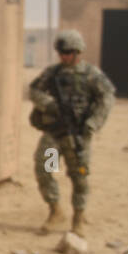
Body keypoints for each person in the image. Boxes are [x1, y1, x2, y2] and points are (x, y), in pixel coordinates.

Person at [28, 29, 115, 235]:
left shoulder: (91, 75)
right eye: (61, 52)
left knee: (80, 175)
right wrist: (48, 104)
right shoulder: (53, 73)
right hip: (56, 134)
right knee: (45, 168)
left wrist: (93, 123)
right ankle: (55, 210)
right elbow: (34, 90)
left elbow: (107, 98)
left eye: (68, 52)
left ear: (78, 52)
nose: (64, 56)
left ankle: (79, 217)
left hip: (78, 136)